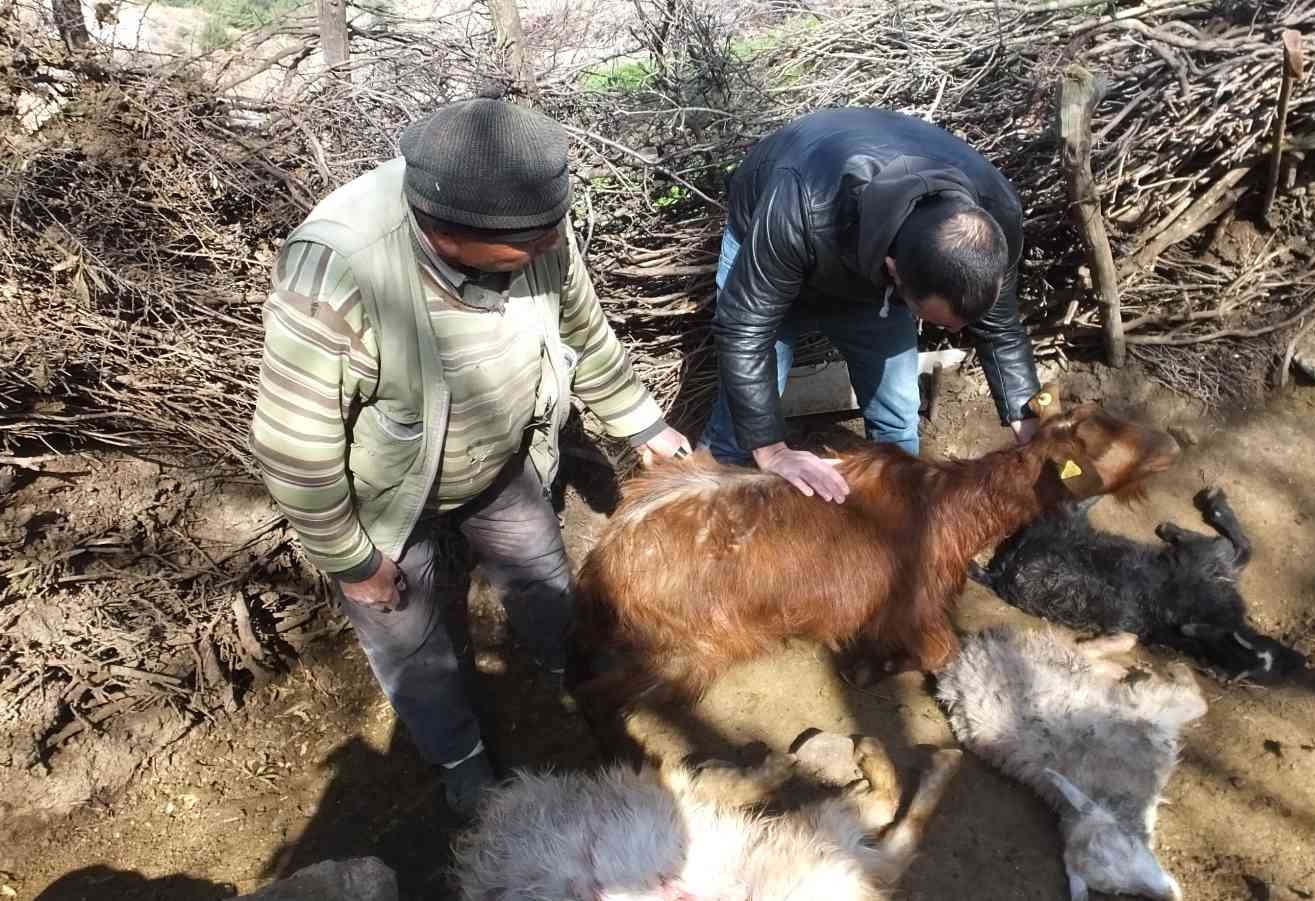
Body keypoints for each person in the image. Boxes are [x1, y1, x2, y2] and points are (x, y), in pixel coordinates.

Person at [248, 99, 692, 817]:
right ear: (449, 236)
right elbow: (294, 444)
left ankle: (573, 675)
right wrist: (352, 560)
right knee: (411, 639)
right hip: (388, 494)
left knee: (545, 576)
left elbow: (585, 325)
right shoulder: (338, 264)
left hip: (498, 460)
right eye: (531, 247)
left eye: (553, 232)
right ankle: (462, 762)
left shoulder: (533, 219)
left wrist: (642, 424)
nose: (552, 249)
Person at [700, 107, 1044, 501]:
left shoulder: (993, 217)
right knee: (738, 425)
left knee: (897, 417)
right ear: (896, 273)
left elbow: (1000, 329)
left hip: (864, 259)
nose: (954, 333)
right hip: (773, 247)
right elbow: (745, 329)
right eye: (937, 320)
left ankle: (893, 531)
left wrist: (1027, 421)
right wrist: (773, 450)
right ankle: (696, 515)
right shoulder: (799, 204)